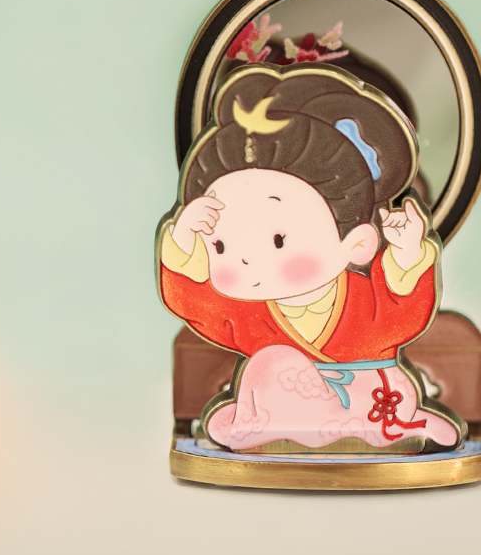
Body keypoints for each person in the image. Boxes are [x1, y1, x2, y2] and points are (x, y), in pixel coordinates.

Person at [156, 63, 464, 452]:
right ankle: (290, 425)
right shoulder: (249, 313)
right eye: (220, 246)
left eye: (279, 240)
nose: (248, 262)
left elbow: (403, 314)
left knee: (273, 365)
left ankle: (324, 427)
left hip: (370, 401)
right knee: (272, 366)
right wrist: (183, 239)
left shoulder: (364, 300)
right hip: (279, 404)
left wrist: (406, 255)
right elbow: (200, 307)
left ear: (357, 243)